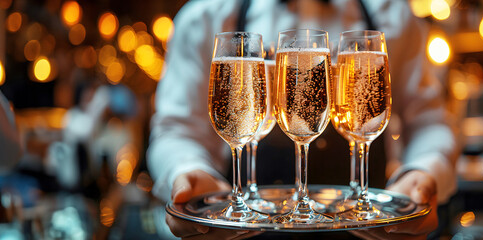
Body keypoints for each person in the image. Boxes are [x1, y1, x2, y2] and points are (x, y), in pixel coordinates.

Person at [147, 0, 458, 239]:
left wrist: (423, 173)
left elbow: (430, 122)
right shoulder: (204, 16)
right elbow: (175, 130)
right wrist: (188, 172)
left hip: (367, 232)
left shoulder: (394, 13)